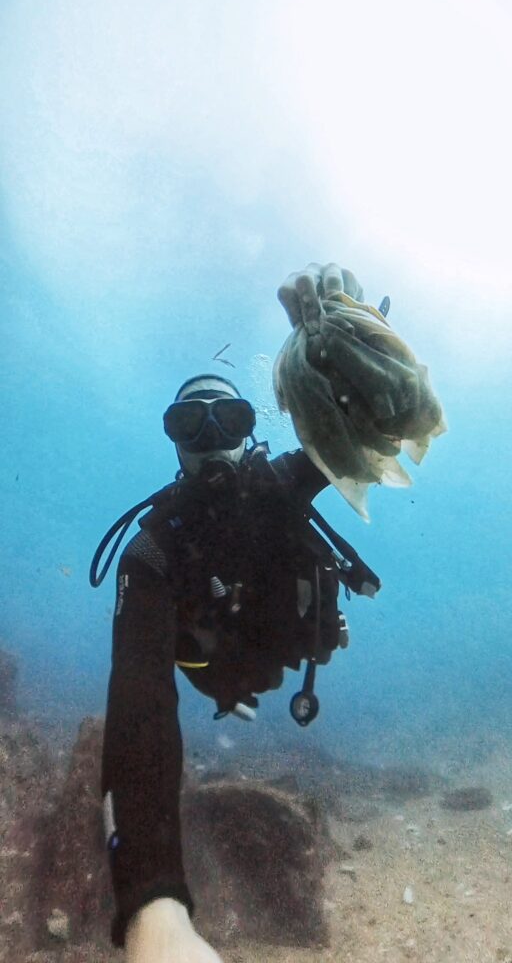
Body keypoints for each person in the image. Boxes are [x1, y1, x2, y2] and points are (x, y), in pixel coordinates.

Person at [95, 265, 381, 963]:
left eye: (231, 419)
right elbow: (138, 709)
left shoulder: (279, 486)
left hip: (279, 654)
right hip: (213, 674)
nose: (213, 437)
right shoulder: (153, 554)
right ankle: (237, 704)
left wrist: (345, 346)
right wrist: (152, 904)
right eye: (191, 424)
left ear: (250, 430)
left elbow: (366, 426)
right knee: (220, 691)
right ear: (174, 442)